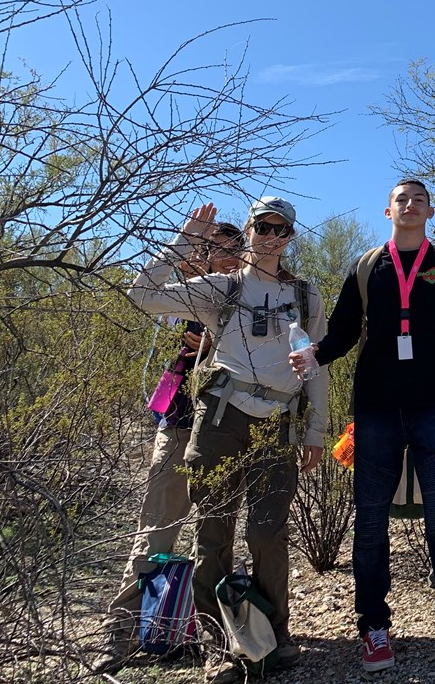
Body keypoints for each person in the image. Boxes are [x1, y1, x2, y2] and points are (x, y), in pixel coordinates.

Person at [292, 180, 435, 678]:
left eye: (419, 199)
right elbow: (344, 328)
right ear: (388, 210)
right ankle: (374, 627)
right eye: (403, 199)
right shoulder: (367, 266)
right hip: (376, 408)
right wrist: (316, 354)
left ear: (431, 210)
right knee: (370, 522)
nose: (411, 204)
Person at [129, 198, 328, 684]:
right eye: (262, 225)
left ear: (290, 235)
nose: (271, 235)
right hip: (220, 417)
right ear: (249, 228)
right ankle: (222, 646)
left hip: (277, 422)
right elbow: (144, 294)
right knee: (213, 529)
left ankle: (274, 640)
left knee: (267, 533)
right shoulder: (223, 286)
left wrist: (316, 430)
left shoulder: (304, 295)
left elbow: (316, 366)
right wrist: (184, 241)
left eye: (281, 228)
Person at [94, 223, 245, 672]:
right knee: (157, 525)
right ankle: (120, 632)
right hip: (180, 419)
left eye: (232, 250)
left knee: (216, 531)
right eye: (212, 248)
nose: (224, 257)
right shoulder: (186, 292)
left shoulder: (251, 292)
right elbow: (141, 293)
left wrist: (215, 343)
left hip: (228, 421)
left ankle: (212, 633)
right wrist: (181, 243)